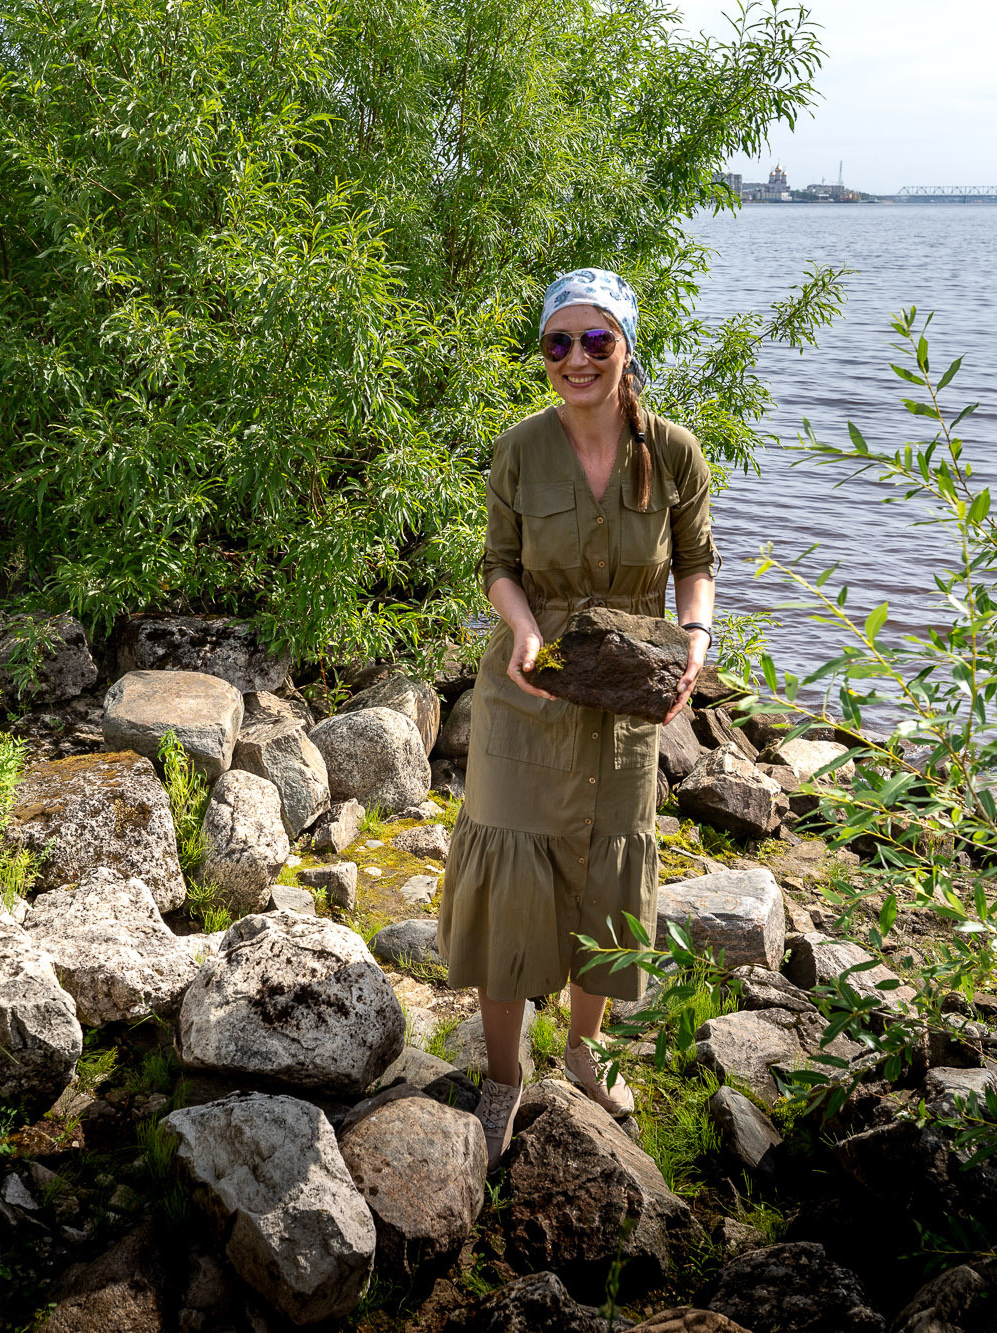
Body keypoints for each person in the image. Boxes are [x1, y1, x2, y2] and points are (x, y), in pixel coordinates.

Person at [437, 267, 717, 1167]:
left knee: (608, 874)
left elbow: (696, 564)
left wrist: (696, 639)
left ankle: (584, 1051)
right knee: (510, 872)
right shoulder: (520, 448)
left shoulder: (674, 453)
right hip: (527, 692)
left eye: (597, 339)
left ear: (627, 346)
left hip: (629, 696)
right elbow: (498, 564)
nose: (577, 358)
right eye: (559, 342)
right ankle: (502, 1075)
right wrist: (522, 630)